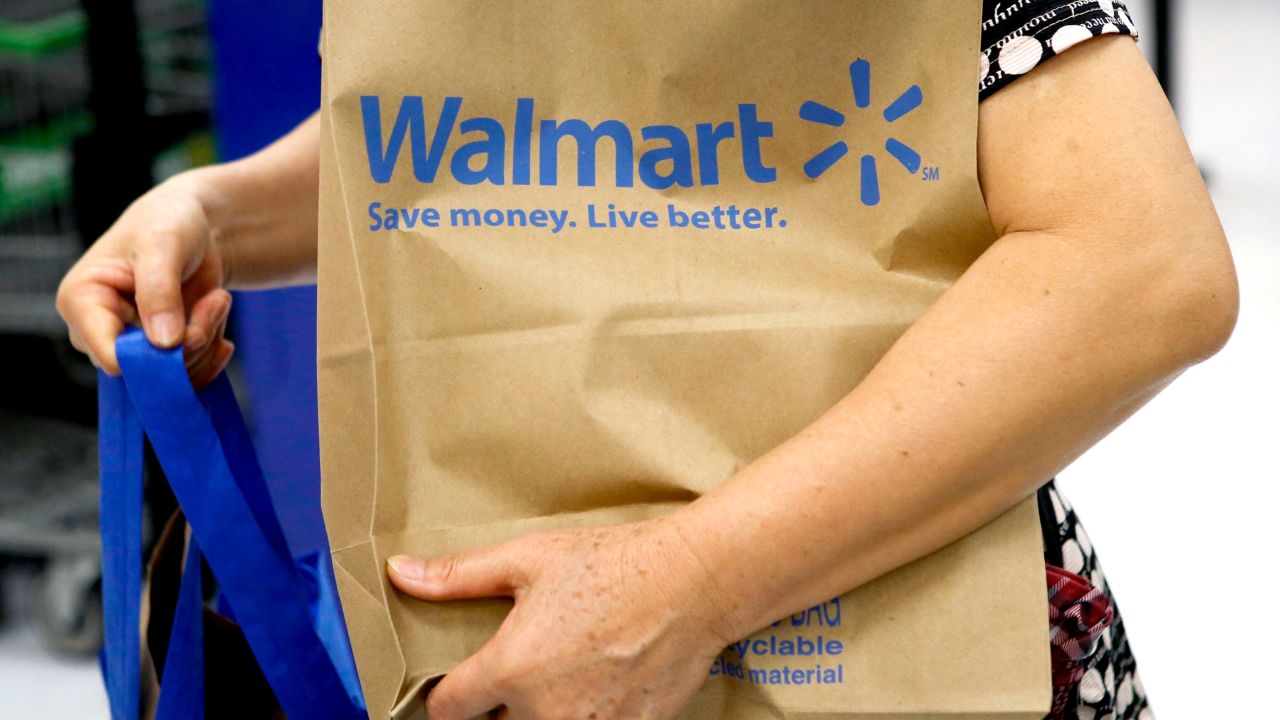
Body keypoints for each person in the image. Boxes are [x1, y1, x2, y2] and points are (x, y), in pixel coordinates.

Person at [57, 2, 1234, 718]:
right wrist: (217, 212)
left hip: (867, 619)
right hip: (514, 652)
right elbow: (493, 125)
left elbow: (1140, 266)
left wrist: (687, 589)